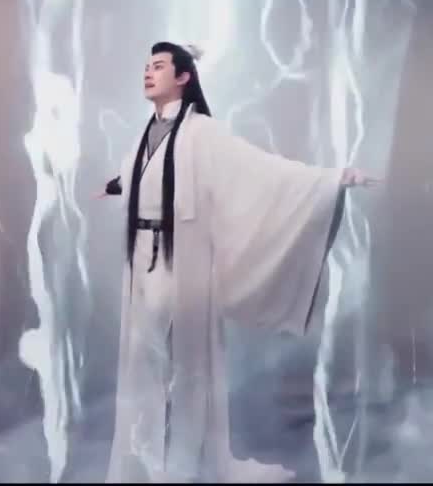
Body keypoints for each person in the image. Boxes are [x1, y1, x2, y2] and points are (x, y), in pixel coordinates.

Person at [98, 41, 376, 482]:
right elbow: (145, 175)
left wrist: (332, 179)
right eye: (146, 66)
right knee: (143, 360)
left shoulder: (202, 132)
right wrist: (116, 185)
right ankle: (143, 463)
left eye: (159, 66)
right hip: (142, 258)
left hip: (180, 259)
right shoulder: (146, 132)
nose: (148, 73)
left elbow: (259, 168)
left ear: (183, 77)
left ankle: (185, 466)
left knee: (184, 365)